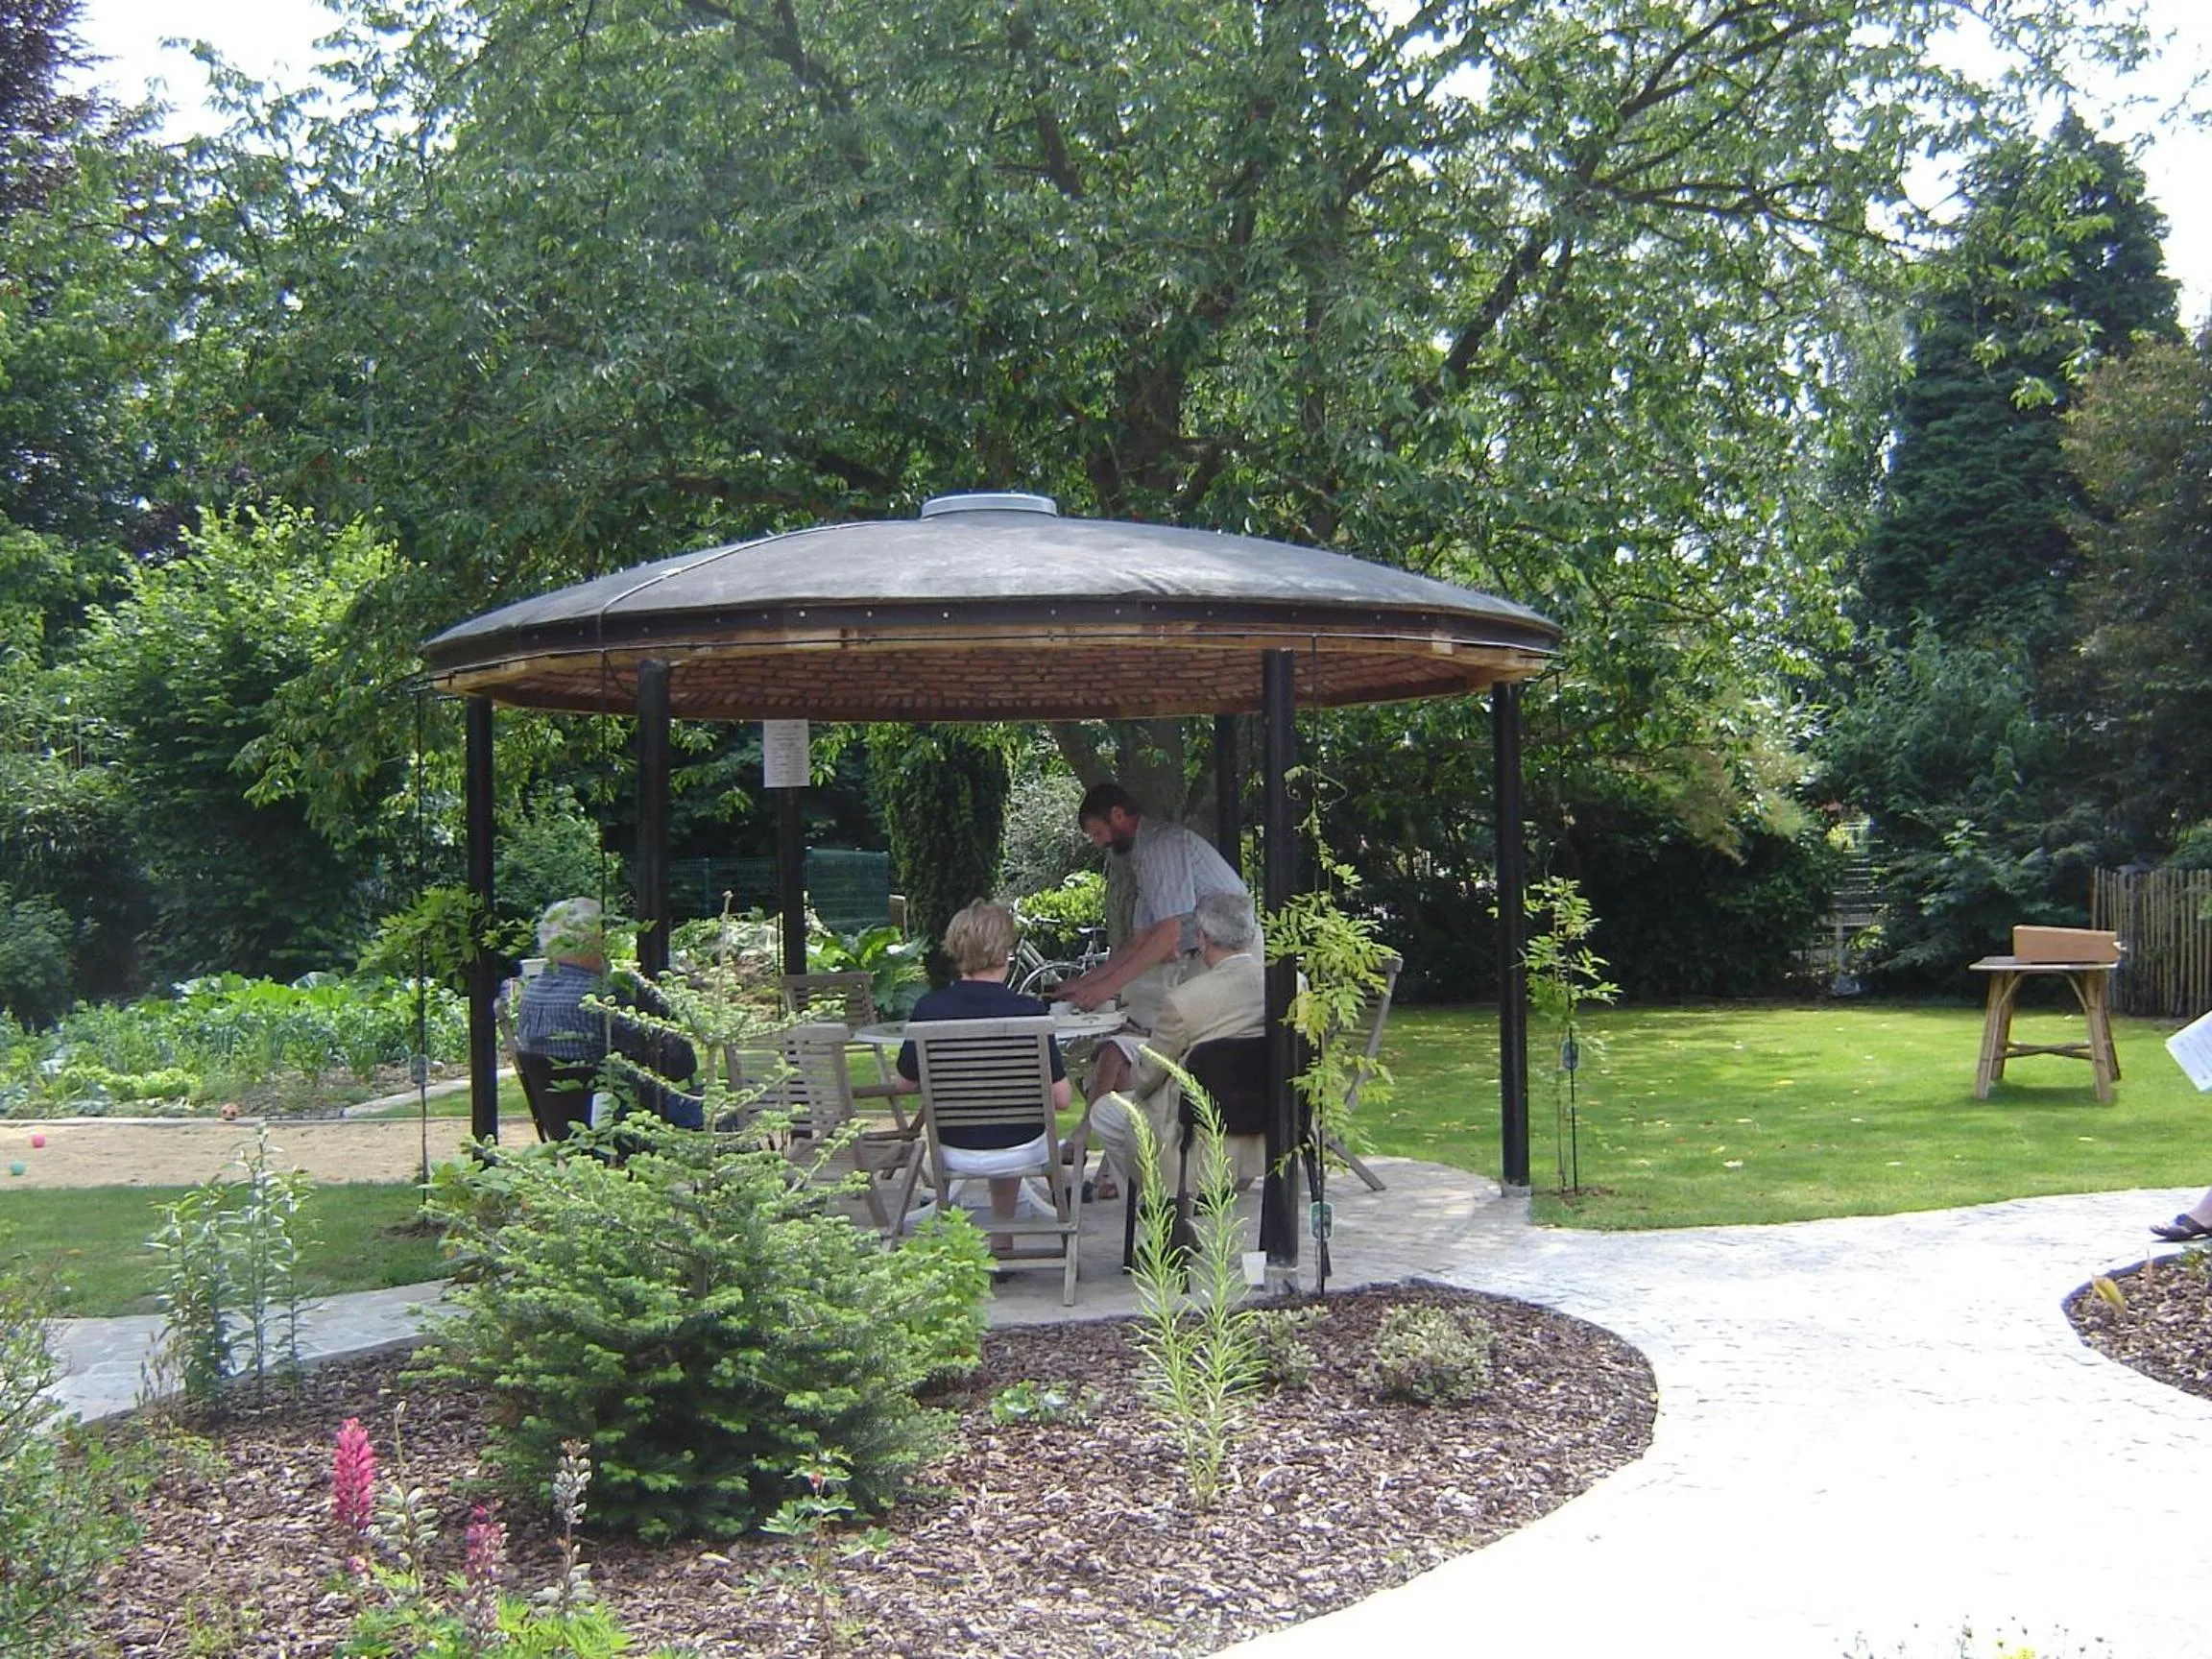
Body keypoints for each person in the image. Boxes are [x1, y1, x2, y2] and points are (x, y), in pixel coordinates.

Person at [1051, 781, 1249, 1101]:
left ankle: (1159, 1119)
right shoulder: (1144, 854)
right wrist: (1085, 983)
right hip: (1204, 954)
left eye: (1097, 832)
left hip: (1231, 955)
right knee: (1138, 1034)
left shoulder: (1161, 845)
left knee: (1170, 1042)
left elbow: (1166, 935)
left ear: (1117, 815)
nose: (1097, 842)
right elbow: (1138, 941)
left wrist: (1105, 988)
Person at [895, 900, 1072, 1249]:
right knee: (1009, 1127)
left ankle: (967, 1245)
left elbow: (904, 1084)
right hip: (1021, 1148)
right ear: (1004, 954)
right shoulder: (1029, 1013)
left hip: (952, 1148)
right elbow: (1062, 1099)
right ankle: (1002, 1239)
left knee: (992, 1127)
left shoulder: (929, 1010)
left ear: (956, 951)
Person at [1087, 889, 1266, 1199]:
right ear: (1250, 935)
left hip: (1194, 1131)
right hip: (1268, 1122)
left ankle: (1155, 1206)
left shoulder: (1184, 1001)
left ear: (1202, 938)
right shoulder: (1292, 987)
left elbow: (1146, 1079)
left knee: (1105, 1111)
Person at [515, 897, 702, 1134]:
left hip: (564, 1128)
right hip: (623, 1124)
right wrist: (655, 1003)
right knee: (726, 1108)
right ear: (588, 942)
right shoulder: (604, 997)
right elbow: (680, 1065)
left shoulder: (530, 995)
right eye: (602, 938)